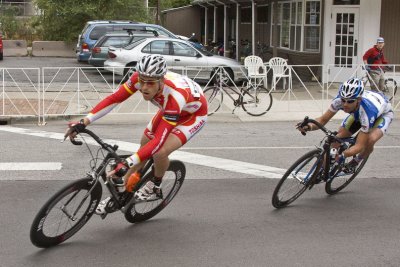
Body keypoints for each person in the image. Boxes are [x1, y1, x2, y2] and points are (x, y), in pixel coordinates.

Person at [65, 54, 208, 215]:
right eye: (142, 81)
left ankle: (156, 185)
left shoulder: (175, 96)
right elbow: (114, 99)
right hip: (168, 109)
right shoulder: (137, 79)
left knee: (159, 152)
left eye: (150, 83)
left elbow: (159, 142)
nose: (144, 87)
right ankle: (120, 194)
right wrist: (84, 121)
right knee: (144, 144)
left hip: (192, 115)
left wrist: (127, 162)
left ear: (161, 81)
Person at [297, 78, 393, 173]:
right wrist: (308, 126)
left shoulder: (367, 112)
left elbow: (360, 145)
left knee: (369, 140)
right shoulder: (339, 101)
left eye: (350, 101)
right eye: (343, 100)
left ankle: (356, 162)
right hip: (358, 112)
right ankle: (325, 170)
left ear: (358, 100)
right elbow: (322, 120)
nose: (345, 104)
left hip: (381, 114)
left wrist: (344, 155)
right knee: (336, 138)